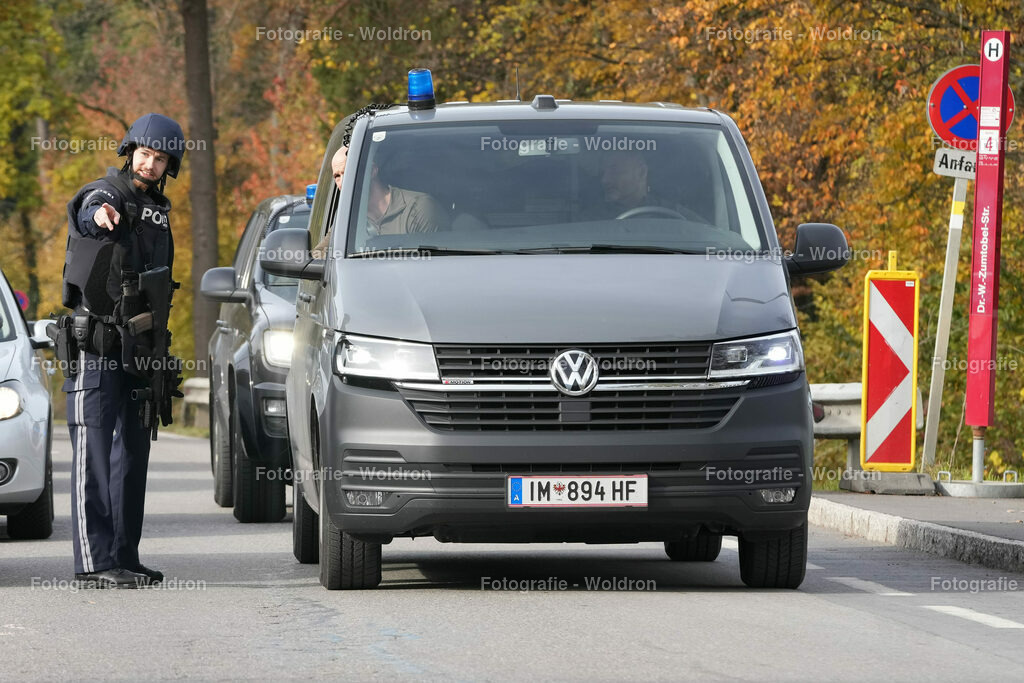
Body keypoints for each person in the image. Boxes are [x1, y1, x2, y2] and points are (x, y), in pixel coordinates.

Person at [60, 113, 185, 588]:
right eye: (144, 153)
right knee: (93, 451)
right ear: (130, 150)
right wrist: (98, 215)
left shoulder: (159, 213)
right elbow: (91, 206)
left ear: (169, 164)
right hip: (97, 345)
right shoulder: (109, 192)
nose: (150, 163)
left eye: (159, 158)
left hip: (141, 349)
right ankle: (93, 563)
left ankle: (123, 556)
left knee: (131, 456)